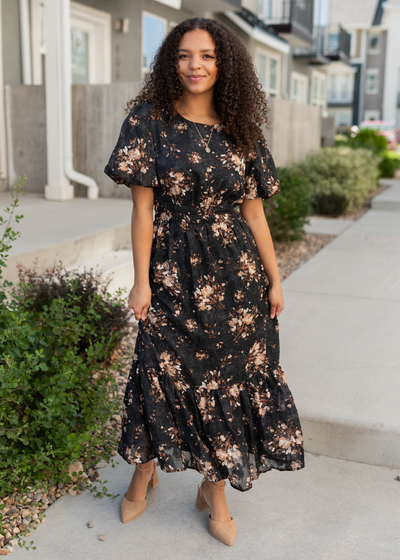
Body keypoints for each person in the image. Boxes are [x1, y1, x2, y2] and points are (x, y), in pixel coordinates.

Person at [104, 17, 305, 547]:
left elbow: (256, 216)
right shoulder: (148, 121)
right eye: (186, 55)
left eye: (209, 56)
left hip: (236, 279)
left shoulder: (241, 128)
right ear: (172, 62)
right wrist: (141, 282)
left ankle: (214, 490)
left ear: (225, 64)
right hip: (172, 272)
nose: (196, 65)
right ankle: (145, 468)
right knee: (158, 369)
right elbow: (143, 212)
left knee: (226, 379)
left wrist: (275, 280)